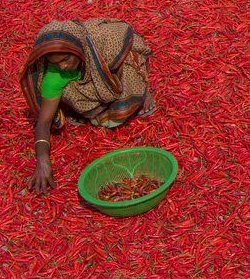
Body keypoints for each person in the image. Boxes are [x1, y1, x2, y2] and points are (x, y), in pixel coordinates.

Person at [20, 19, 156, 194]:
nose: (63, 66)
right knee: (68, 91)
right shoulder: (54, 75)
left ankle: (142, 91)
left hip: (114, 58)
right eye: (55, 63)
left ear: (77, 49)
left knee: (128, 62)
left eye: (66, 58)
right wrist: (43, 161)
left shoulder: (103, 41)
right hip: (95, 79)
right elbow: (43, 122)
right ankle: (95, 106)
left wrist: (143, 86)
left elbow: (131, 42)